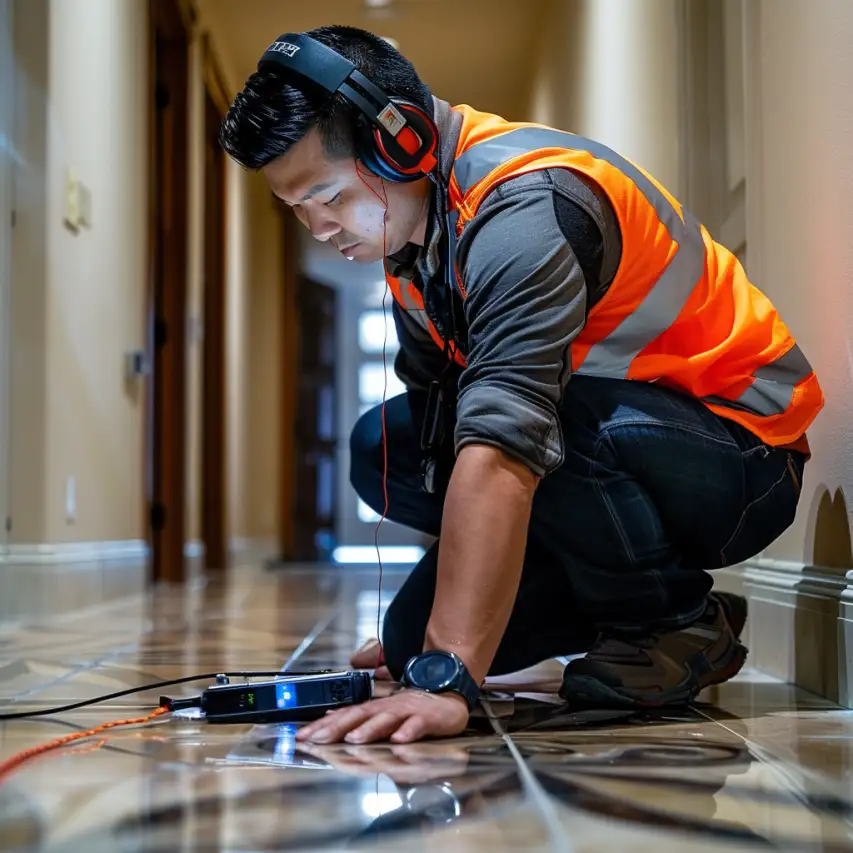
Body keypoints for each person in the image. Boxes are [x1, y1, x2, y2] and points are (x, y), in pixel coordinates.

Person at [220, 25, 823, 745]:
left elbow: (507, 434)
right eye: (298, 209)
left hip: (743, 455)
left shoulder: (524, 208)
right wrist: (436, 633)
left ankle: (669, 620)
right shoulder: (417, 244)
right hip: (612, 441)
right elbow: (450, 436)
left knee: (520, 424)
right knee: (386, 451)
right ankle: (611, 591)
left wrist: (450, 671)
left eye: (328, 196)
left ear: (399, 142)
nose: (320, 228)